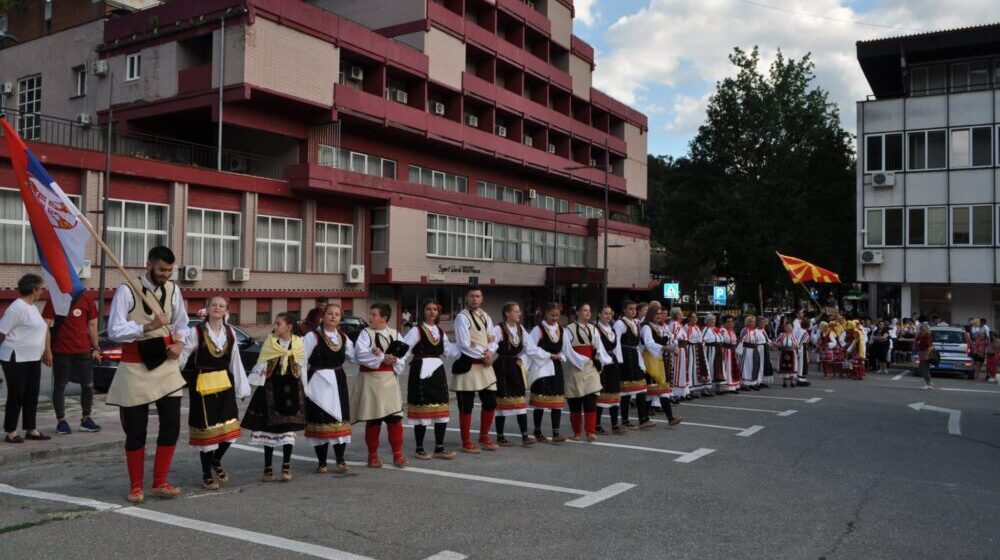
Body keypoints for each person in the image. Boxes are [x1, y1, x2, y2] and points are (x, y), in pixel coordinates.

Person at [106, 247, 190, 502]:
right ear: (149, 264)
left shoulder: (174, 290)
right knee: (136, 430)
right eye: (162, 269)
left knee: (172, 425)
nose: (166, 274)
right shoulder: (127, 289)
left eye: (170, 270)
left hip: (165, 364)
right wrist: (147, 326)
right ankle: (136, 486)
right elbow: (114, 331)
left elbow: (182, 324)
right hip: (135, 365)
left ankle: (160, 481)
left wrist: (179, 344)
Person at [178, 296, 250, 489]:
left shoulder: (230, 332)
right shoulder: (196, 332)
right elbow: (183, 356)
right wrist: (172, 378)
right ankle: (205, 473)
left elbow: (235, 360)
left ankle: (216, 460)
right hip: (202, 385)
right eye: (214, 305)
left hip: (225, 383)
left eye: (221, 305)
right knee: (207, 431)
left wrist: (242, 387)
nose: (217, 308)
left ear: (226, 310)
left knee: (230, 430)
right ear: (207, 308)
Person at [242, 313, 307, 482]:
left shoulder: (299, 343)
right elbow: (261, 363)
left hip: (291, 391)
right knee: (268, 429)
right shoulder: (270, 343)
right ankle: (268, 468)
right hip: (270, 390)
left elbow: (302, 366)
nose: (275, 326)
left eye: (279, 323)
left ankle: (286, 465)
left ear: (289, 327)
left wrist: (306, 389)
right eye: (275, 323)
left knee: (288, 428)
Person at [400, 300, 457, 460]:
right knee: (422, 411)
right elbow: (405, 348)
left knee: (441, 410)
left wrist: (466, 345)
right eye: (428, 309)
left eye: (435, 309)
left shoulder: (440, 331)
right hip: (421, 371)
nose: (432, 312)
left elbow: (449, 351)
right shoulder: (416, 330)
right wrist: (394, 361)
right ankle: (419, 448)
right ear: (423, 312)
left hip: (437, 371)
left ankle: (439, 447)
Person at [352, 303, 407, 468]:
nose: (370, 317)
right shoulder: (365, 333)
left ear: (384, 318)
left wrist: (395, 359)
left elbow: (403, 355)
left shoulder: (395, 334)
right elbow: (360, 354)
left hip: (390, 382)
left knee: (395, 419)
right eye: (370, 314)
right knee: (374, 420)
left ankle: (398, 454)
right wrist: (382, 358)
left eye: (374, 314)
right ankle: (373, 455)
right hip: (371, 382)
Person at [302, 304, 356, 472]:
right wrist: (304, 385)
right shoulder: (312, 336)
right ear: (322, 317)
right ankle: (322, 462)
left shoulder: (343, 337)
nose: (333, 317)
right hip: (318, 381)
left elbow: (354, 358)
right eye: (330, 314)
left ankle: (340, 459)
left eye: (337, 314)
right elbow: (302, 361)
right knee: (321, 420)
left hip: (338, 381)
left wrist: (375, 353)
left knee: (340, 420)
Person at [1, 274, 52, 444]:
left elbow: (43, 330)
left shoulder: (33, 308)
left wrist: (46, 351)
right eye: (41, 288)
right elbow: (2, 332)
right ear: (33, 289)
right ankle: (11, 431)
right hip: (15, 356)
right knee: (17, 395)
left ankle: (31, 429)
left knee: (32, 394)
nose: (42, 292)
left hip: (32, 357)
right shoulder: (17, 307)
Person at [42, 290, 102, 435]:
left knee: (88, 385)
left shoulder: (86, 297)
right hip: (62, 350)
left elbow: (92, 324)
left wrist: (95, 348)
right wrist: (47, 350)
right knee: (60, 386)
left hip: (83, 350)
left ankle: (86, 419)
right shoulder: (55, 298)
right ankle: (61, 421)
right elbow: (45, 324)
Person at [452, 287, 500, 453]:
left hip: (485, 366)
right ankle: (466, 441)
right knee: (466, 406)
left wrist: (490, 352)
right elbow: (464, 344)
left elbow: (493, 339)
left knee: (491, 401)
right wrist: (484, 354)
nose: (474, 299)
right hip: (468, 366)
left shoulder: (486, 316)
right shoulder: (462, 317)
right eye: (472, 296)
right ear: (467, 298)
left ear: (482, 298)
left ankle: (484, 436)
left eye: (477, 296)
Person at [490, 302, 538, 447]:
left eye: (519, 311)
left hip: (515, 367)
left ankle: (524, 436)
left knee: (520, 401)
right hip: (502, 367)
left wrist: (522, 359)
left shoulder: (520, 328)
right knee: (501, 403)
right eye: (516, 311)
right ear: (507, 313)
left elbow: (529, 347)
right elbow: (490, 345)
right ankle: (500, 436)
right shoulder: (498, 329)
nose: (519, 314)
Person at [563, 303, 610, 441]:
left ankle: (590, 431)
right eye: (584, 310)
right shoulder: (569, 329)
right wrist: (580, 360)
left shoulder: (593, 329)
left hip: (590, 367)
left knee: (591, 399)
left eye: (589, 310)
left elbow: (599, 347)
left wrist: (601, 358)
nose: (588, 313)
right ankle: (577, 432)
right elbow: (567, 349)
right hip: (574, 367)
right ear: (577, 312)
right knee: (575, 401)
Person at [528, 303, 568, 443]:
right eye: (552, 315)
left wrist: (560, 356)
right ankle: (537, 431)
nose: (555, 318)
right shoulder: (538, 329)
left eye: (557, 315)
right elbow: (530, 348)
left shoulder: (561, 329)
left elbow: (565, 348)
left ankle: (556, 433)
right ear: (546, 313)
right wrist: (548, 355)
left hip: (556, 368)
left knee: (556, 401)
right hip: (542, 368)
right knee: (541, 401)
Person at [639, 304, 681, 426]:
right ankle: (649, 419)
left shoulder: (658, 327)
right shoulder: (646, 327)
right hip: (649, 360)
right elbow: (648, 343)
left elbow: (665, 340)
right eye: (656, 313)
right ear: (650, 314)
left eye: (660, 313)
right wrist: (664, 347)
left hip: (657, 359)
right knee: (652, 390)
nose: (658, 316)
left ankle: (665, 418)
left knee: (659, 389)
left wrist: (671, 345)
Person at [614, 301, 652, 429]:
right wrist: (619, 360)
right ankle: (625, 420)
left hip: (635, 355)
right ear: (624, 310)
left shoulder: (635, 323)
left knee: (641, 389)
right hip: (626, 357)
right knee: (626, 392)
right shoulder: (620, 323)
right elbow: (617, 342)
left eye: (635, 309)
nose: (633, 311)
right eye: (630, 309)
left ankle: (643, 419)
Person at [595, 305, 625, 435]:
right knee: (602, 393)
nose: (608, 316)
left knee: (614, 393)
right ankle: (596, 425)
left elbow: (616, 346)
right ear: (599, 314)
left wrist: (618, 360)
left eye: (610, 314)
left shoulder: (611, 329)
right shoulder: (596, 329)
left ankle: (614, 424)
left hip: (613, 361)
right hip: (602, 362)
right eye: (605, 313)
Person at [686, 312, 714, 397]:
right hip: (691, 349)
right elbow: (687, 339)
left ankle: (701, 389)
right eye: (693, 317)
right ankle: (690, 390)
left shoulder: (697, 327)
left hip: (698, 349)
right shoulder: (687, 327)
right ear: (689, 318)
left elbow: (700, 339)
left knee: (699, 369)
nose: (695, 319)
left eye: (696, 318)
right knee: (691, 369)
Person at [737, 315, 766, 390]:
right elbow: (741, 340)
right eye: (751, 321)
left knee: (751, 367)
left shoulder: (753, 331)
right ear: (747, 322)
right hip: (746, 350)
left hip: (753, 350)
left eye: (753, 321)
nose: (753, 323)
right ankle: (744, 383)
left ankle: (751, 383)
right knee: (745, 367)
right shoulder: (745, 330)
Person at [668, 309, 690, 400]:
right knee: (677, 370)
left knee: (681, 370)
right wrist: (675, 347)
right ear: (676, 315)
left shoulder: (679, 325)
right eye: (680, 313)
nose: (682, 314)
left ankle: (682, 392)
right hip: (678, 349)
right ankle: (675, 392)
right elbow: (674, 337)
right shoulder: (674, 324)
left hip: (682, 349)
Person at [716, 315, 741, 393]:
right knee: (726, 368)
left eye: (731, 322)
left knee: (731, 368)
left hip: (731, 350)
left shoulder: (731, 330)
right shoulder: (722, 330)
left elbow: (734, 341)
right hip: (725, 351)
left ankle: (732, 385)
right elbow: (719, 341)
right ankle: (725, 386)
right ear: (724, 323)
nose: (730, 323)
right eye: (728, 322)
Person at [774, 322, 800, 388]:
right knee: (784, 367)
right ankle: (784, 382)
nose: (788, 328)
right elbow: (776, 343)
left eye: (790, 326)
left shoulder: (793, 336)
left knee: (792, 367)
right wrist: (779, 345)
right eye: (787, 326)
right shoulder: (781, 335)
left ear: (792, 328)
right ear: (784, 327)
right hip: (784, 352)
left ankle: (792, 382)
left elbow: (797, 344)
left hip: (792, 353)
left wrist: (797, 349)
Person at [915, 323, 935, 389]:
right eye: (920, 329)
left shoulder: (927, 336)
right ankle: (929, 382)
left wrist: (926, 355)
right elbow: (916, 341)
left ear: (925, 329)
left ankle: (928, 384)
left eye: (922, 329)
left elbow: (929, 347)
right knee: (921, 369)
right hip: (921, 352)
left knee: (924, 369)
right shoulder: (920, 335)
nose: (921, 330)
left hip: (926, 353)